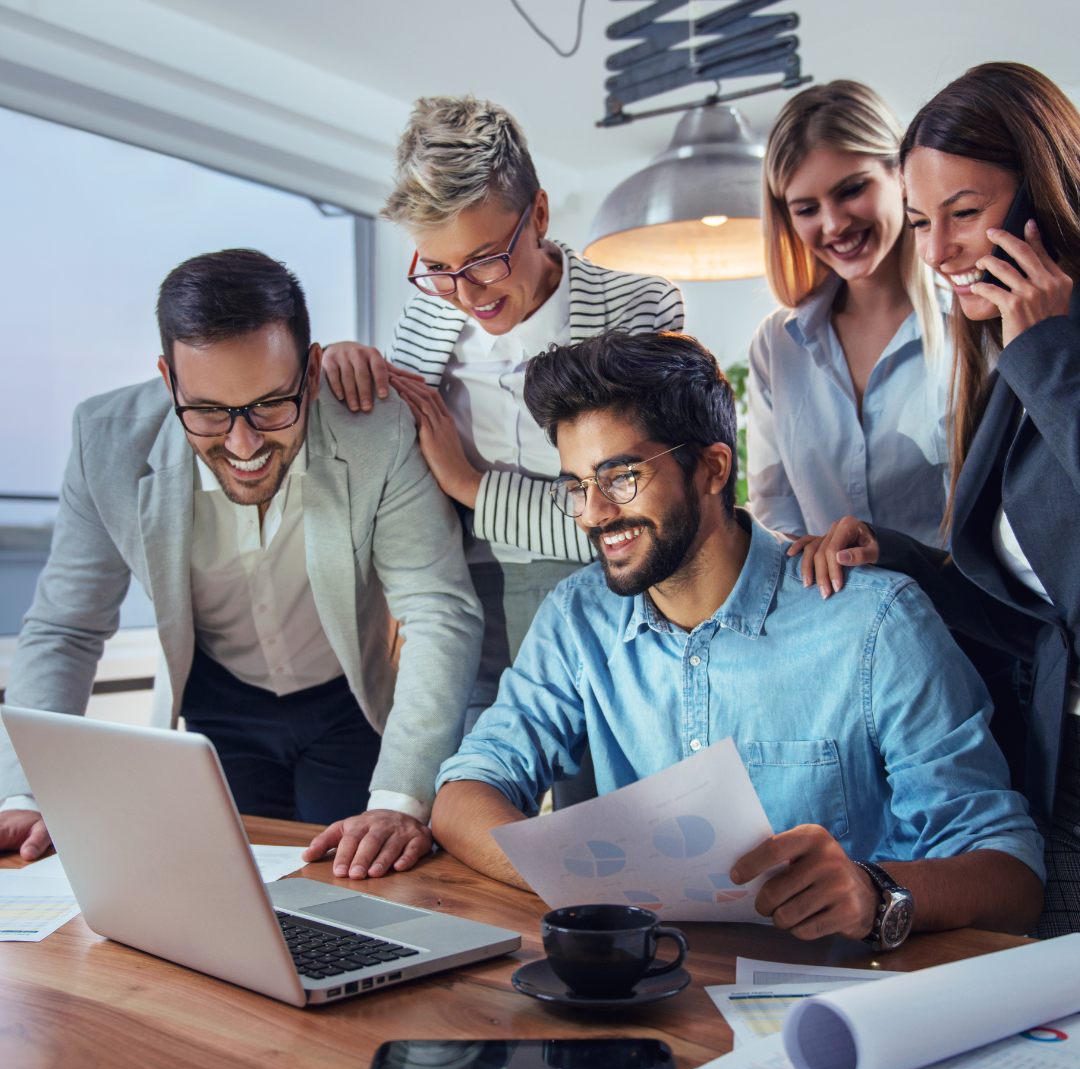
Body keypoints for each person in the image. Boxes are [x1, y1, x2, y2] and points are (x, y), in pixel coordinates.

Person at [430, 330, 1044, 942]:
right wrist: (596, 890)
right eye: (576, 486)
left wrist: (874, 891)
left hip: (848, 992)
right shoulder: (578, 617)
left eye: (620, 478)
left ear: (713, 468)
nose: (593, 513)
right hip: (659, 993)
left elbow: (1012, 878)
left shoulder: (875, 622)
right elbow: (464, 794)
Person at [0, 249, 483, 882]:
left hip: (348, 702)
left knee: (363, 892)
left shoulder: (380, 432)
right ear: (168, 380)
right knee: (228, 898)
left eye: (270, 404)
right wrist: (25, 795)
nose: (243, 444)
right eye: (208, 412)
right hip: (216, 707)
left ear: (312, 370)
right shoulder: (104, 439)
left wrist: (399, 800)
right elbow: (66, 629)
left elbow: (437, 610)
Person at [793, 63, 1080, 937]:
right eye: (922, 221)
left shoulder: (1043, 356)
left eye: (964, 213)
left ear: (1044, 198)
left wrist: (1049, 359)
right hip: (1056, 766)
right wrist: (902, 556)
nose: (936, 250)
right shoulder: (1013, 354)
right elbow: (1035, 615)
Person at [320, 96, 684, 729]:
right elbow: (393, 472)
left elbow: (638, 510)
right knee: (468, 799)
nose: (467, 294)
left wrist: (469, 484)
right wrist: (348, 366)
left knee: (600, 811)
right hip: (464, 596)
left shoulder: (642, 313)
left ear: (538, 214)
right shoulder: (427, 319)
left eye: (485, 258)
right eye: (437, 268)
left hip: (607, 592)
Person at [748, 80, 947, 546]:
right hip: (829, 614)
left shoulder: (974, 320)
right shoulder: (778, 344)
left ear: (902, 175)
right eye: (806, 208)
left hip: (965, 617)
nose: (834, 224)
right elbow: (777, 516)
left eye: (852, 189)